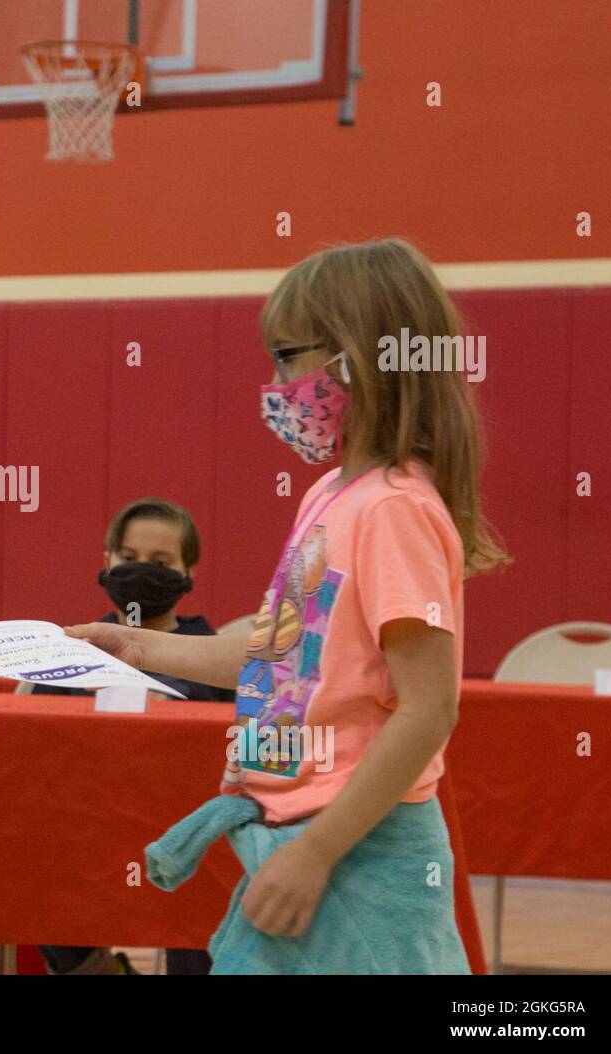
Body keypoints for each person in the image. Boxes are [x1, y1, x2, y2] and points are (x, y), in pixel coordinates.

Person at [70, 238, 507, 974]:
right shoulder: (330, 494)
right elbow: (279, 649)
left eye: (286, 357)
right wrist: (134, 647)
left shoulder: (396, 509)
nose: (276, 384)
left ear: (355, 359)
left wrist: (314, 854)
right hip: (298, 824)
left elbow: (429, 708)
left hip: (360, 851)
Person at [31, 498, 231, 976]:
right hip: (84, 839)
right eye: (128, 558)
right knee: (31, 868)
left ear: (188, 571)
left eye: (161, 563)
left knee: (201, 902)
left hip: (192, 846)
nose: (142, 572)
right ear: (107, 563)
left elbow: (239, 751)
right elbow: (29, 741)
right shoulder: (73, 649)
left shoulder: (216, 657)